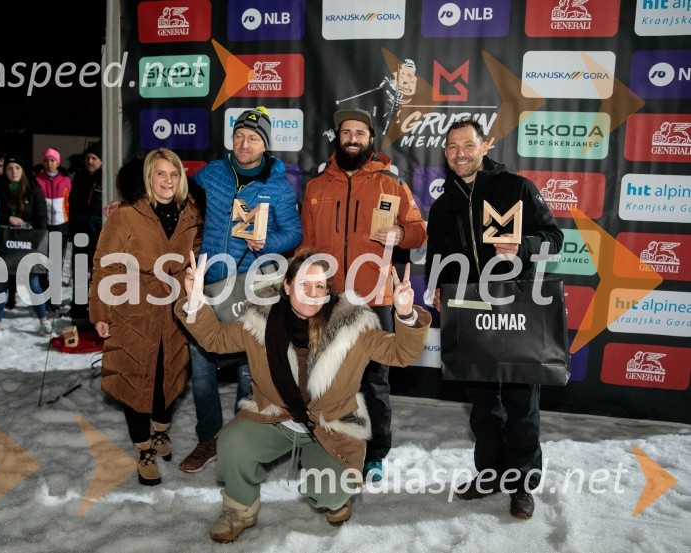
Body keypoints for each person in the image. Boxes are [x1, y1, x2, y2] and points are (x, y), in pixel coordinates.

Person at [175, 248, 431, 542]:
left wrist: (406, 313)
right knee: (233, 444)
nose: (311, 293)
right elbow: (216, 339)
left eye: (319, 286)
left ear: (327, 292)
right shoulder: (259, 321)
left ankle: (337, 495)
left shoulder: (354, 326)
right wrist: (196, 300)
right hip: (275, 416)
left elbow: (401, 353)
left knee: (330, 494)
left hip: (330, 423)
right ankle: (239, 509)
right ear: (287, 286)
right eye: (303, 285)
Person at [425, 117, 564, 520]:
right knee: (484, 404)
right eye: (452, 147)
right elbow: (436, 253)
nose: (459, 153)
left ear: (484, 146)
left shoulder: (517, 188)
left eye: (467, 145)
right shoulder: (443, 203)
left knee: (522, 402)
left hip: (517, 307)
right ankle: (489, 475)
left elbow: (555, 239)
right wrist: (436, 284)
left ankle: (521, 484)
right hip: (467, 310)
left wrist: (522, 248)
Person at [299, 108, 427, 482]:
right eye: (346, 132)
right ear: (337, 138)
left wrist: (402, 236)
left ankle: (375, 452)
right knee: (322, 376)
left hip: (375, 299)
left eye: (360, 132)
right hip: (328, 298)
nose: (352, 138)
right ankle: (328, 441)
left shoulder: (391, 183)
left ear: (371, 139)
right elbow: (306, 243)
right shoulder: (316, 186)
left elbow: (419, 231)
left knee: (374, 381)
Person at [178, 105, 303, 474]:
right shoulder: (210, 175)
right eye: (239, 136)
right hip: (211, 283)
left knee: (250, 369)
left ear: (265, 144)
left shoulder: (279, 185)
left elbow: (294, 234)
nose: (244, 143)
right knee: (202, 368)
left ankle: (239, 438)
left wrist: (267, 243)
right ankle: (209, 438)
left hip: (254, 286)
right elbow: (178, 200)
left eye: (253, 138)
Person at [89, 149, 202, 485]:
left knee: (169, 375)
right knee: (135, 379)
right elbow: (105, 265)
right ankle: (143, 450)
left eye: (174, 174)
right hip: (133, 309)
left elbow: (194, 257)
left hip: (174, 311)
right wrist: (100, 311)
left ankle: (160, 431)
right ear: (148, 178)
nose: (168, 181)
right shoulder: (125, 216)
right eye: (160, 174)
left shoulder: (191, 213)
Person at [0, 155, 51, 341]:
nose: (13, 171)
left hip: (28, 243)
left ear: (23, 171)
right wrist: (8, 219)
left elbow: (41, 217)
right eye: (9, 168)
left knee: (33, 283)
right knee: (0, 283)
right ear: (4, 171)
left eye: (17, 168)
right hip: (4, 243)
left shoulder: (33, 188)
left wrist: (40, 241)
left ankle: (43, 321)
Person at [69, 141, 103, 328]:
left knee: (99, 275)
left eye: (94, 158)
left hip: (99, 231)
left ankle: (99, 312)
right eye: (88, 158)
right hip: (80, 231)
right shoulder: (79, 176)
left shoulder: (106, 177)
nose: (90, 161)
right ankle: (79, 310)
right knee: (81, 273)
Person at [33, 148, 72, 314]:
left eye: (53, 160)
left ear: (58, 162)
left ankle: (55, 299)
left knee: (56, 265)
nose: (50, 163)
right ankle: (43, 298)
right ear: (43, 162)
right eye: (47, 160)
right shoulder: (36, 180)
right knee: (42, 264)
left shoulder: (65, 180)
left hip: (60, 226)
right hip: (42, 226)